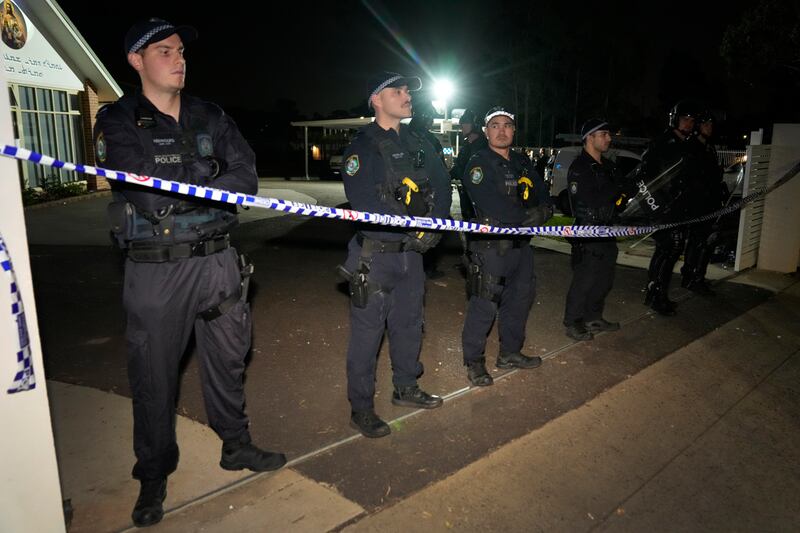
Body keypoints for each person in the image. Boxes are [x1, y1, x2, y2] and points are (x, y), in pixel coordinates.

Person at [94, 18, 285, 528]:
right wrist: (207, 176)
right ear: (136, 61)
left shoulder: (210, 115)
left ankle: (236, 446)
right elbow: (148, 194)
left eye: (181, 51)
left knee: (228, 360)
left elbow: (245, 179)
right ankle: (153, 475)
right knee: (154, 376)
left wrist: (188, 179)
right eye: (164, 51)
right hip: (158, 270)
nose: (179, 59)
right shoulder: (117, 120)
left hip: (219, 260)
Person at [338, 71, 451, 438]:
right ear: (376, 99)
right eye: (397, 90)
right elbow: (364, 202)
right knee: (367, 336)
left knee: (408, 326)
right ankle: (362, 407)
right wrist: (414, 229)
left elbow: (443, 187)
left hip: (413, 257)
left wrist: (433, 227)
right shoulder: (362, 146)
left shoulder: (421, 142)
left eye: (407, 91)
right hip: (376, 256)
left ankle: (406, 387)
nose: (406, 96)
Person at [459, 107, 552, 386]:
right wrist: (528, 218)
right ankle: (474, 363)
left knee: (519, 300)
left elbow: (542, 195)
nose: (502, 130)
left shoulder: (522, 162)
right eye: (495, 125)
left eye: (507, 125)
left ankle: (510, 352)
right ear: (486, 131)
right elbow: (490, 203)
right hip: (490, 248)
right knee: (484, 304)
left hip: (521, 246)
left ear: (514, 130)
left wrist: (544, 212)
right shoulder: (478, 163)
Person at [641, 100, 702, 315]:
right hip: (662, 209)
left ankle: (658, 293)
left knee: (672, 251)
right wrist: (657, 207)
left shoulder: (689, 146)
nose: (688, 124)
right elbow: (645, 178)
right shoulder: (661, 143)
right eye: (685, 119)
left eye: (692, 121)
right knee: (668, 249)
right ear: (675, 119)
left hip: (680, 210)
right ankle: (655, 293)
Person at [563, 119, 622, 341]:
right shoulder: (580, 167)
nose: (609, 138)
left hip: (607, 230)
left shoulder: (607, 166)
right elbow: (590, 200)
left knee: (605, 278)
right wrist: (617, 187)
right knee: (585, 279)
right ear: (590, 137)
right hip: (588, 232)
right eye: (604, 134)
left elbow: (617, 198)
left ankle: (593, 316)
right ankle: (573, 321)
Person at [680, 110, 724, 295]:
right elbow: (692, 176)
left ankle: (697, 275)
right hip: (698, 204)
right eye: (706, 124)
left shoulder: (709, 146)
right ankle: (691, 276)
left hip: (710, 203)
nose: (709, 128)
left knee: (707, 241)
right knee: (698, 241)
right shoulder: (692, 146)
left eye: (711, 125)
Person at [409, 100, 446, 279]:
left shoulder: (402, 133)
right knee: (432, 230)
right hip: (426, 192)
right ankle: (427, 268)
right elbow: (441, 170)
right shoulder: (429, 139)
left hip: (407, 192)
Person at [450, 109, 488, 221]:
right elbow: (459, 166)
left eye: (464, 124)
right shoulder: (467, 144)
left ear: (473, 125)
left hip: (478, 194)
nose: (461, 127)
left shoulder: (482, 146)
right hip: (466, 192)